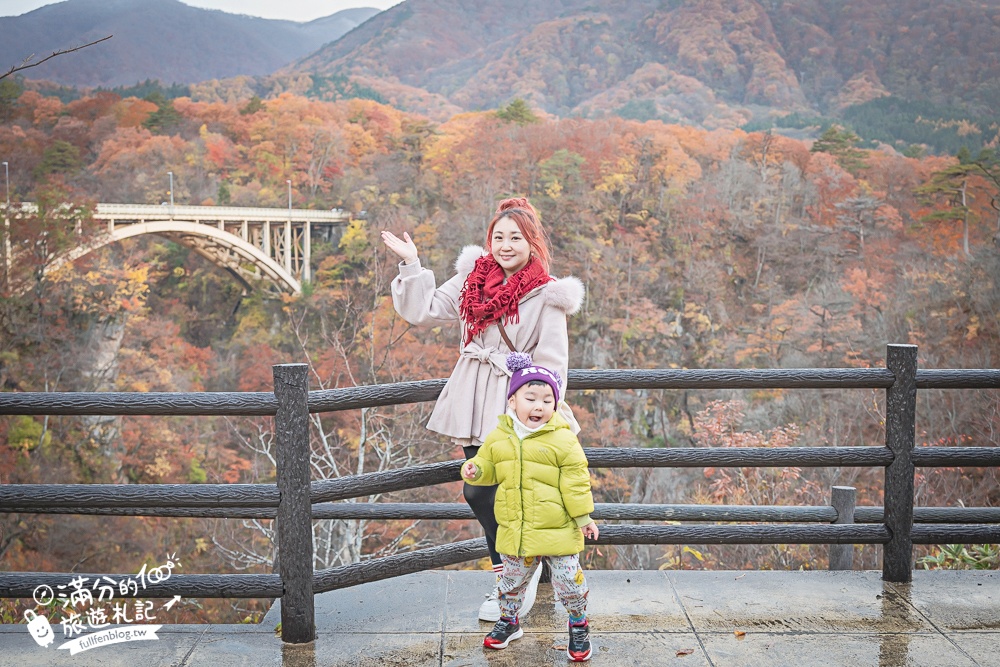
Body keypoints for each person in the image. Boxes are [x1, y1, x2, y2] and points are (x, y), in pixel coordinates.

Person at [380, 197, 584, 622]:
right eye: (498, 237)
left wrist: (533, 409)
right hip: (474, 396)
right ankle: (512, 578)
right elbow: (425, 310)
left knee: (502, 493)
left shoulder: (547, 294)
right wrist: (412, 264)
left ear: (533, 242)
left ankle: (514, 583)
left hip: (515, 399)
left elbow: (553, 362)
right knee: (483, 491)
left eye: (516, 238)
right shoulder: (473, 278)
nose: (505, 245)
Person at [461, 356, 598, 662]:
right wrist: (475, 470)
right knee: (511, 581)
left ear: (556, 405)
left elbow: (576, 480)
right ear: (512, 400)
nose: (539, 406)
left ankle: (578, 624)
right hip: (518, 527)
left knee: (569, 581)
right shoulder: (500, 436)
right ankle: (509, 621)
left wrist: (583, 518)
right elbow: (489, 466)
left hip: (558, 528)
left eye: (548, 400)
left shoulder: (563, 439)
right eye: (531, 398)